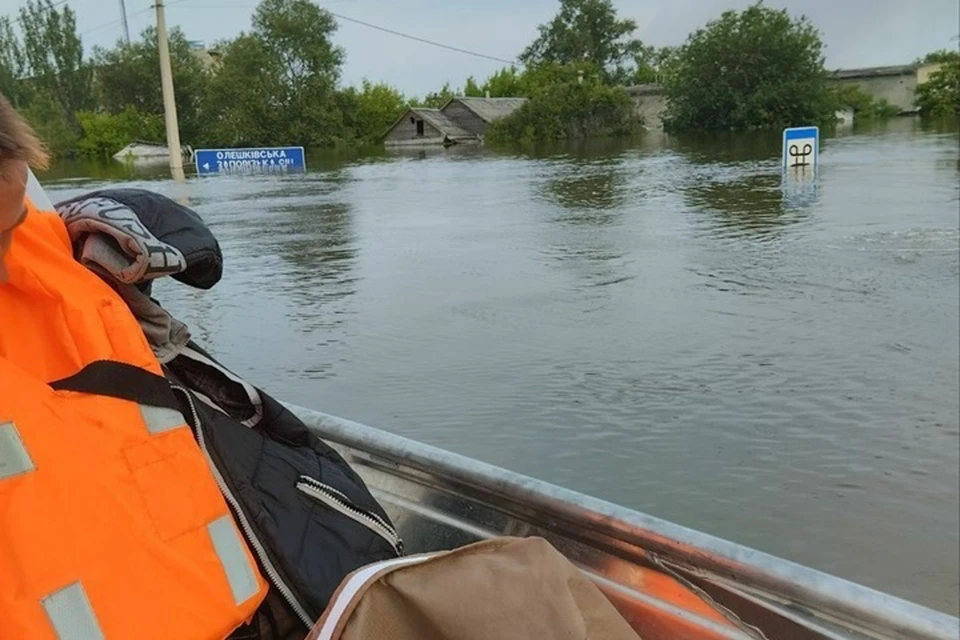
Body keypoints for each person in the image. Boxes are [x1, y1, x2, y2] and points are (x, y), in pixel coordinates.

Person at [0, 94, 401, 640]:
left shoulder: (49, 254)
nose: (10, 254)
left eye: (14, 218)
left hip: (243, 619)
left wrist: (102, 223)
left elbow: (177, 232)